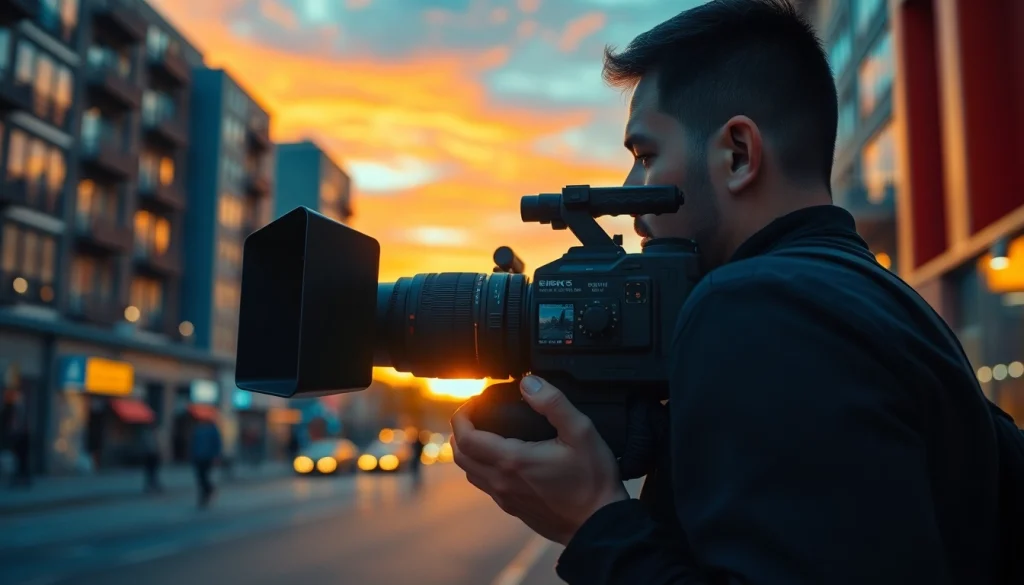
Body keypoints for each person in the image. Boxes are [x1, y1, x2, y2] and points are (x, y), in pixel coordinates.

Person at [450, 1, 1004, 584]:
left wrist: (593, 520)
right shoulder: (883, 301)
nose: (630, 195)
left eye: (644, 155)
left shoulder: (756, 306)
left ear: (738, 154)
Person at [190, 419, 222, 508]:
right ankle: (207, 492)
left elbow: (217, 443)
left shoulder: (212, 430)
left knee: (204, 476)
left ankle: (206, 494)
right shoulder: (198, 430)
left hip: (208, 457)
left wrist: (216, 456)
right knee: (200, 477)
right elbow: (194, 443)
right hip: (198, 457)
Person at [140, 422, 163, 493]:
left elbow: (158, 445)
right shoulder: (153, 434)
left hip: (152, 455)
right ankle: (152, 485)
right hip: (151, 455)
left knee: (152, 472)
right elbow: (157, 445)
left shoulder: (151, 434)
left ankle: (152, 485)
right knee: (151, 472)